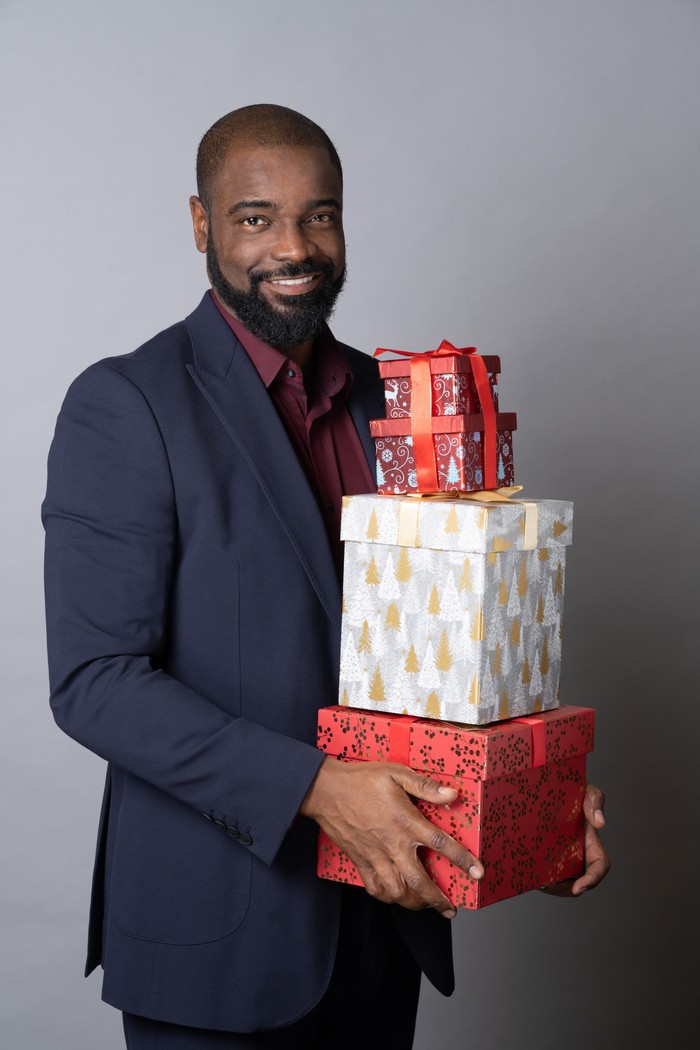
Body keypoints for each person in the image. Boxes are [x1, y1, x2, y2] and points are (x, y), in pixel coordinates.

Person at [43, 104, 609, 1049]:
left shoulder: (403, 401)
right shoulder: (126, 404)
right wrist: (315, 787)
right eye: (256, 217)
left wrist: (523, 808)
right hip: (219, 941)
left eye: (320, 214)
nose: (294, 245)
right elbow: (94, 684)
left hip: (386, 929)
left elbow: (448, 641)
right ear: (200, 225)